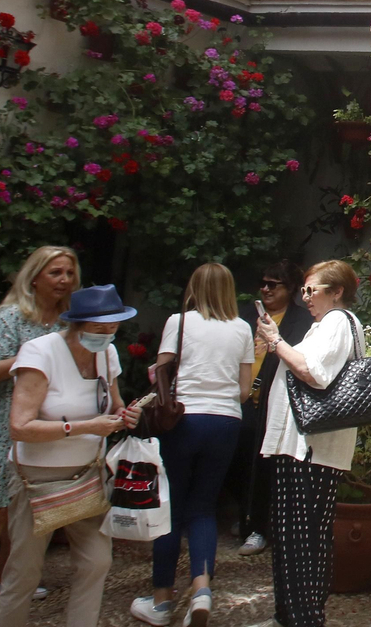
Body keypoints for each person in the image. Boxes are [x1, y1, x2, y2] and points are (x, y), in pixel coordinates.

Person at [0, 284, 142, 627]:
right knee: (25, 571)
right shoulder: (40, 352)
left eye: (113, 328)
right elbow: (19, 426)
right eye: (98, 329)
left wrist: (127, 415)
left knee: (96, 562)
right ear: (76, 325)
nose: (107, 335)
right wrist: (84, 426)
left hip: (88, 474)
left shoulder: (107, 354)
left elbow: (115, 405)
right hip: (37, 479)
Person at [129, 264, 252, 627]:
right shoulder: (242, 328)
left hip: (183, 420)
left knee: (171, 508)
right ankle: (201, 591)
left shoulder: (178, 322)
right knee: (203, 508)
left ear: (195, 288)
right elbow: (244, 390)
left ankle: (162, 601)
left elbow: (162, 372)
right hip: (227, 421)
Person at [255, 260, 364, 627]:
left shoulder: (337, 322)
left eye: (311, 290)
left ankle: (302, 618)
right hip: (302, 447)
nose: (305, 297)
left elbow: (315, 373)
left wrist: (275, 341)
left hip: (310, 450)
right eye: (303, 290)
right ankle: (289, 617)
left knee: (302, 542)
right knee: (293, 538)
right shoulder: (325, 324)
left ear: (337, 292)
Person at [0, 248, 78, 627]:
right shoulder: (11, 318)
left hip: (41, 423)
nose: (64, 279)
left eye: (69, 273)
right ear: (35, 278)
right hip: (1, 420)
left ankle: (2, 581)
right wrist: (32, 356)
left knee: (26, 507)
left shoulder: (69, 323)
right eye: (55, 272)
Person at [233, 261, 308, 558]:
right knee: (237, 461)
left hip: (273, 402)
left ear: (289, 290)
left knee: (263, 466)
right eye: (262, 283)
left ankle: (258, 526)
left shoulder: (300, 321)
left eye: (272, 284)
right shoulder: (246, 317)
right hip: (239, 399)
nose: (265, 289)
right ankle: (243, 515)